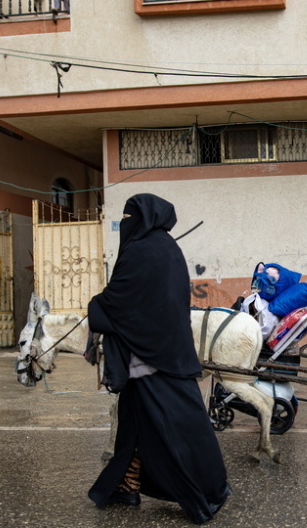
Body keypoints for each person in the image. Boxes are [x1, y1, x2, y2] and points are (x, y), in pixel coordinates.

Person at [86, 194, 230, 523]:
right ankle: (126, 484)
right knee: (134, 423)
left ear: (144, 217)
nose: (125, 223)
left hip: (151, 357)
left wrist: (95, 306)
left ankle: (209, 490)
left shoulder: (139, 250)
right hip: (168, 350)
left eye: (128, 216)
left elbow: (119, 300)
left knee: (179, 427)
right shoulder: (168, 248)